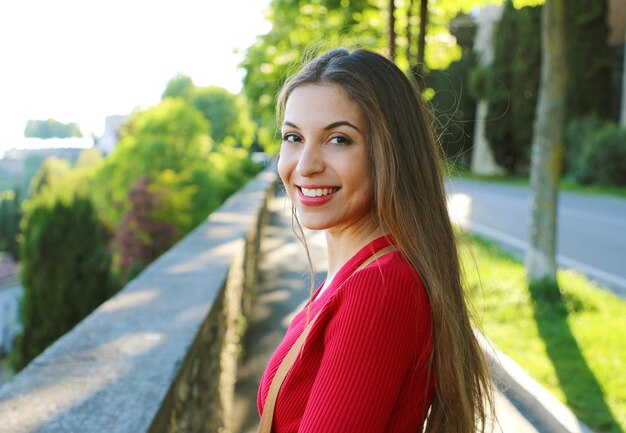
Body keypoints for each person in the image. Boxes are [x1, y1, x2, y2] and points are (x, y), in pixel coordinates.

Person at [258, 48, 492, 433]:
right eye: (293, 137)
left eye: (338, 139)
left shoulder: (379, 287)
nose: (305, 165)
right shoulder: (355, 274)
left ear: (389, 153)